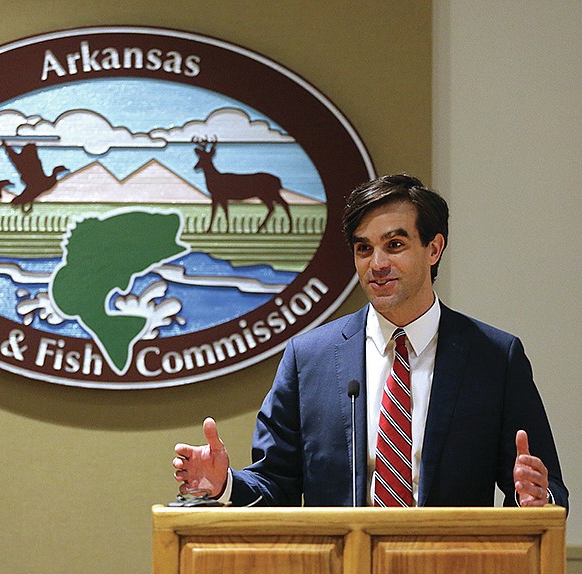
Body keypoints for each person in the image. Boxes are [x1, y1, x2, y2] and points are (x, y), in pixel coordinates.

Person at [172, 173, 568, 509]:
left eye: (394, 245)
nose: (377, 264)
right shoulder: (308, 359)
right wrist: (225, 485)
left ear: (434, 248)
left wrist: (535, 500)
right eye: (364, 248)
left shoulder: (495, 358)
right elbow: (276, 486)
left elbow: (543, 487)